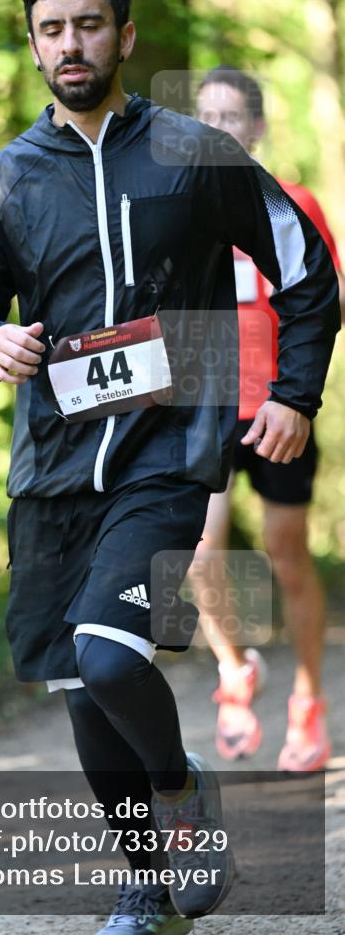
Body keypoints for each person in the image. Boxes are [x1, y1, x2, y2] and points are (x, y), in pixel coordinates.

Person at [0, 0, 340, 933]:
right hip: (55, 467)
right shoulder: (4, 181)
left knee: (111, 659)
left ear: (125, 33)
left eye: (89, 24)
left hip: (166, 452)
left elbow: (305, 271)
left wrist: (291, 393)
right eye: (52, 29)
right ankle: (146, 887)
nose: (72, 43)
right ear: (32, 45)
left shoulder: (196, 155)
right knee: (79, 688)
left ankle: (179, 787)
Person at [192, 66, 344, 770]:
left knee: (286, 558)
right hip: (206, 408)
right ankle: (232, 670)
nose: (218, 129)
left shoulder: (295, 201)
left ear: (254, 127)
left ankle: (307, 701)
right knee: (195, 553)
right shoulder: (178, 206)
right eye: (206, 118)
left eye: (231, 118)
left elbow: (325, 301)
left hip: (280, 409)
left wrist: (297, 393)